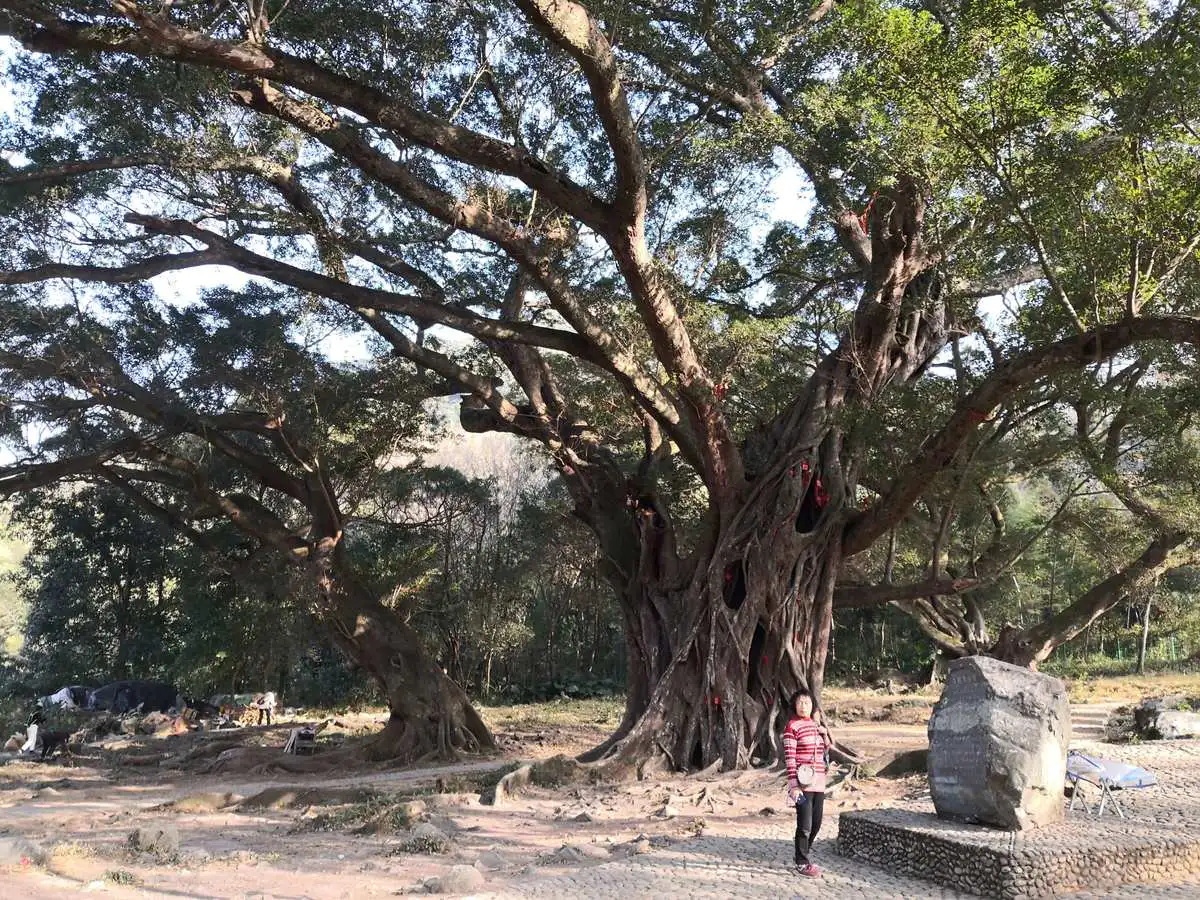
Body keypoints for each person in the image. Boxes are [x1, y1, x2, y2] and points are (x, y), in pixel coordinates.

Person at [783, 687, 831, 878]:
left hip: (818, 783)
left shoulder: (815, 725)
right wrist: (793, 786)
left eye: (808, 702)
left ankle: (802, 853)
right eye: (801, 702)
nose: (804, 706)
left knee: (817, 823)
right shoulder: (791, 728)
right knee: (804, 824)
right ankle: (802, 862)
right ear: (794, 705)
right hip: (802, 786)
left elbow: (825, 749)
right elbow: (789, 758)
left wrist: (824, 733)